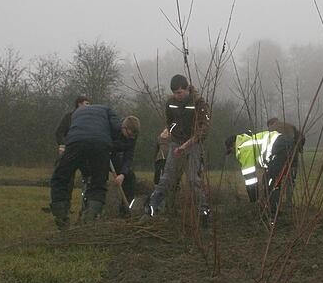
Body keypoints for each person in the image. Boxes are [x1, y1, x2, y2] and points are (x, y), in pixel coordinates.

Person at [143, 74, 211, 226]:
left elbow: (204, 129)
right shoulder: (170, 103)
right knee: (167, 177)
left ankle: (203, 212)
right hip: (176, 143)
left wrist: (188, 144)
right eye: (175, 93)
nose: (177, 96)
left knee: (193, 179)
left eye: (180, 92)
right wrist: (174, 137)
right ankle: (152, 207)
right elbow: (169, 122)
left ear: (187, 89)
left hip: (193, 144)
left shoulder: (199, 103)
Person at [49, 103, 124, 230]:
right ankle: (90, 221)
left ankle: (62, 220)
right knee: (98, 184)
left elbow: (65, 131)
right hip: (100, 144)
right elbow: (118, 128)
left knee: (59, 179)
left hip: (75, 142)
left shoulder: (75, 113)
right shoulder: (107, 109)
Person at [225, 129, 296, 223]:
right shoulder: (248, 141)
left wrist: (254, 198)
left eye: (231, 151)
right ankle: (273, 211)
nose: (233, 153)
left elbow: (250, 177)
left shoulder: (243, 148)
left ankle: (273, 216)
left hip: (279, 147)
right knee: (268, 181)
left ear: (233, 145)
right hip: (282, 144)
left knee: (271, 183)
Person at [53, 95, 91, 212]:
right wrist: (63, 145)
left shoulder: (89, 118)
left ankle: (86, 207)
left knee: (88, 179)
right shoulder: (69, 117)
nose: (89, 106)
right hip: (70, 152)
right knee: (67, 180)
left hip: (84, 153)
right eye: (87, 104)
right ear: (79, 104)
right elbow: (59, 133)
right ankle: (65, 206)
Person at [267, 117, 304, 206]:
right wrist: (298, 148)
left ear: (270, 124)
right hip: (292, 157)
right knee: (291, 180)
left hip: (278, 159)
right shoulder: (291, 126)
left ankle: (275, 202)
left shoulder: (270, 129)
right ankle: (288, 202)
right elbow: (302, 138)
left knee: (276, 180)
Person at [110, 115, 140, 217]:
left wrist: (122, 174)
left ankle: (125, 211)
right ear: (124, 128)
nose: (130, 138)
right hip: (104, 153)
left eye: (133, 136)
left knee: (130, 177)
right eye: (129, 135)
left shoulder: (133, 135)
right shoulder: (113, 128)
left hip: (117, 156)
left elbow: (129, 155)